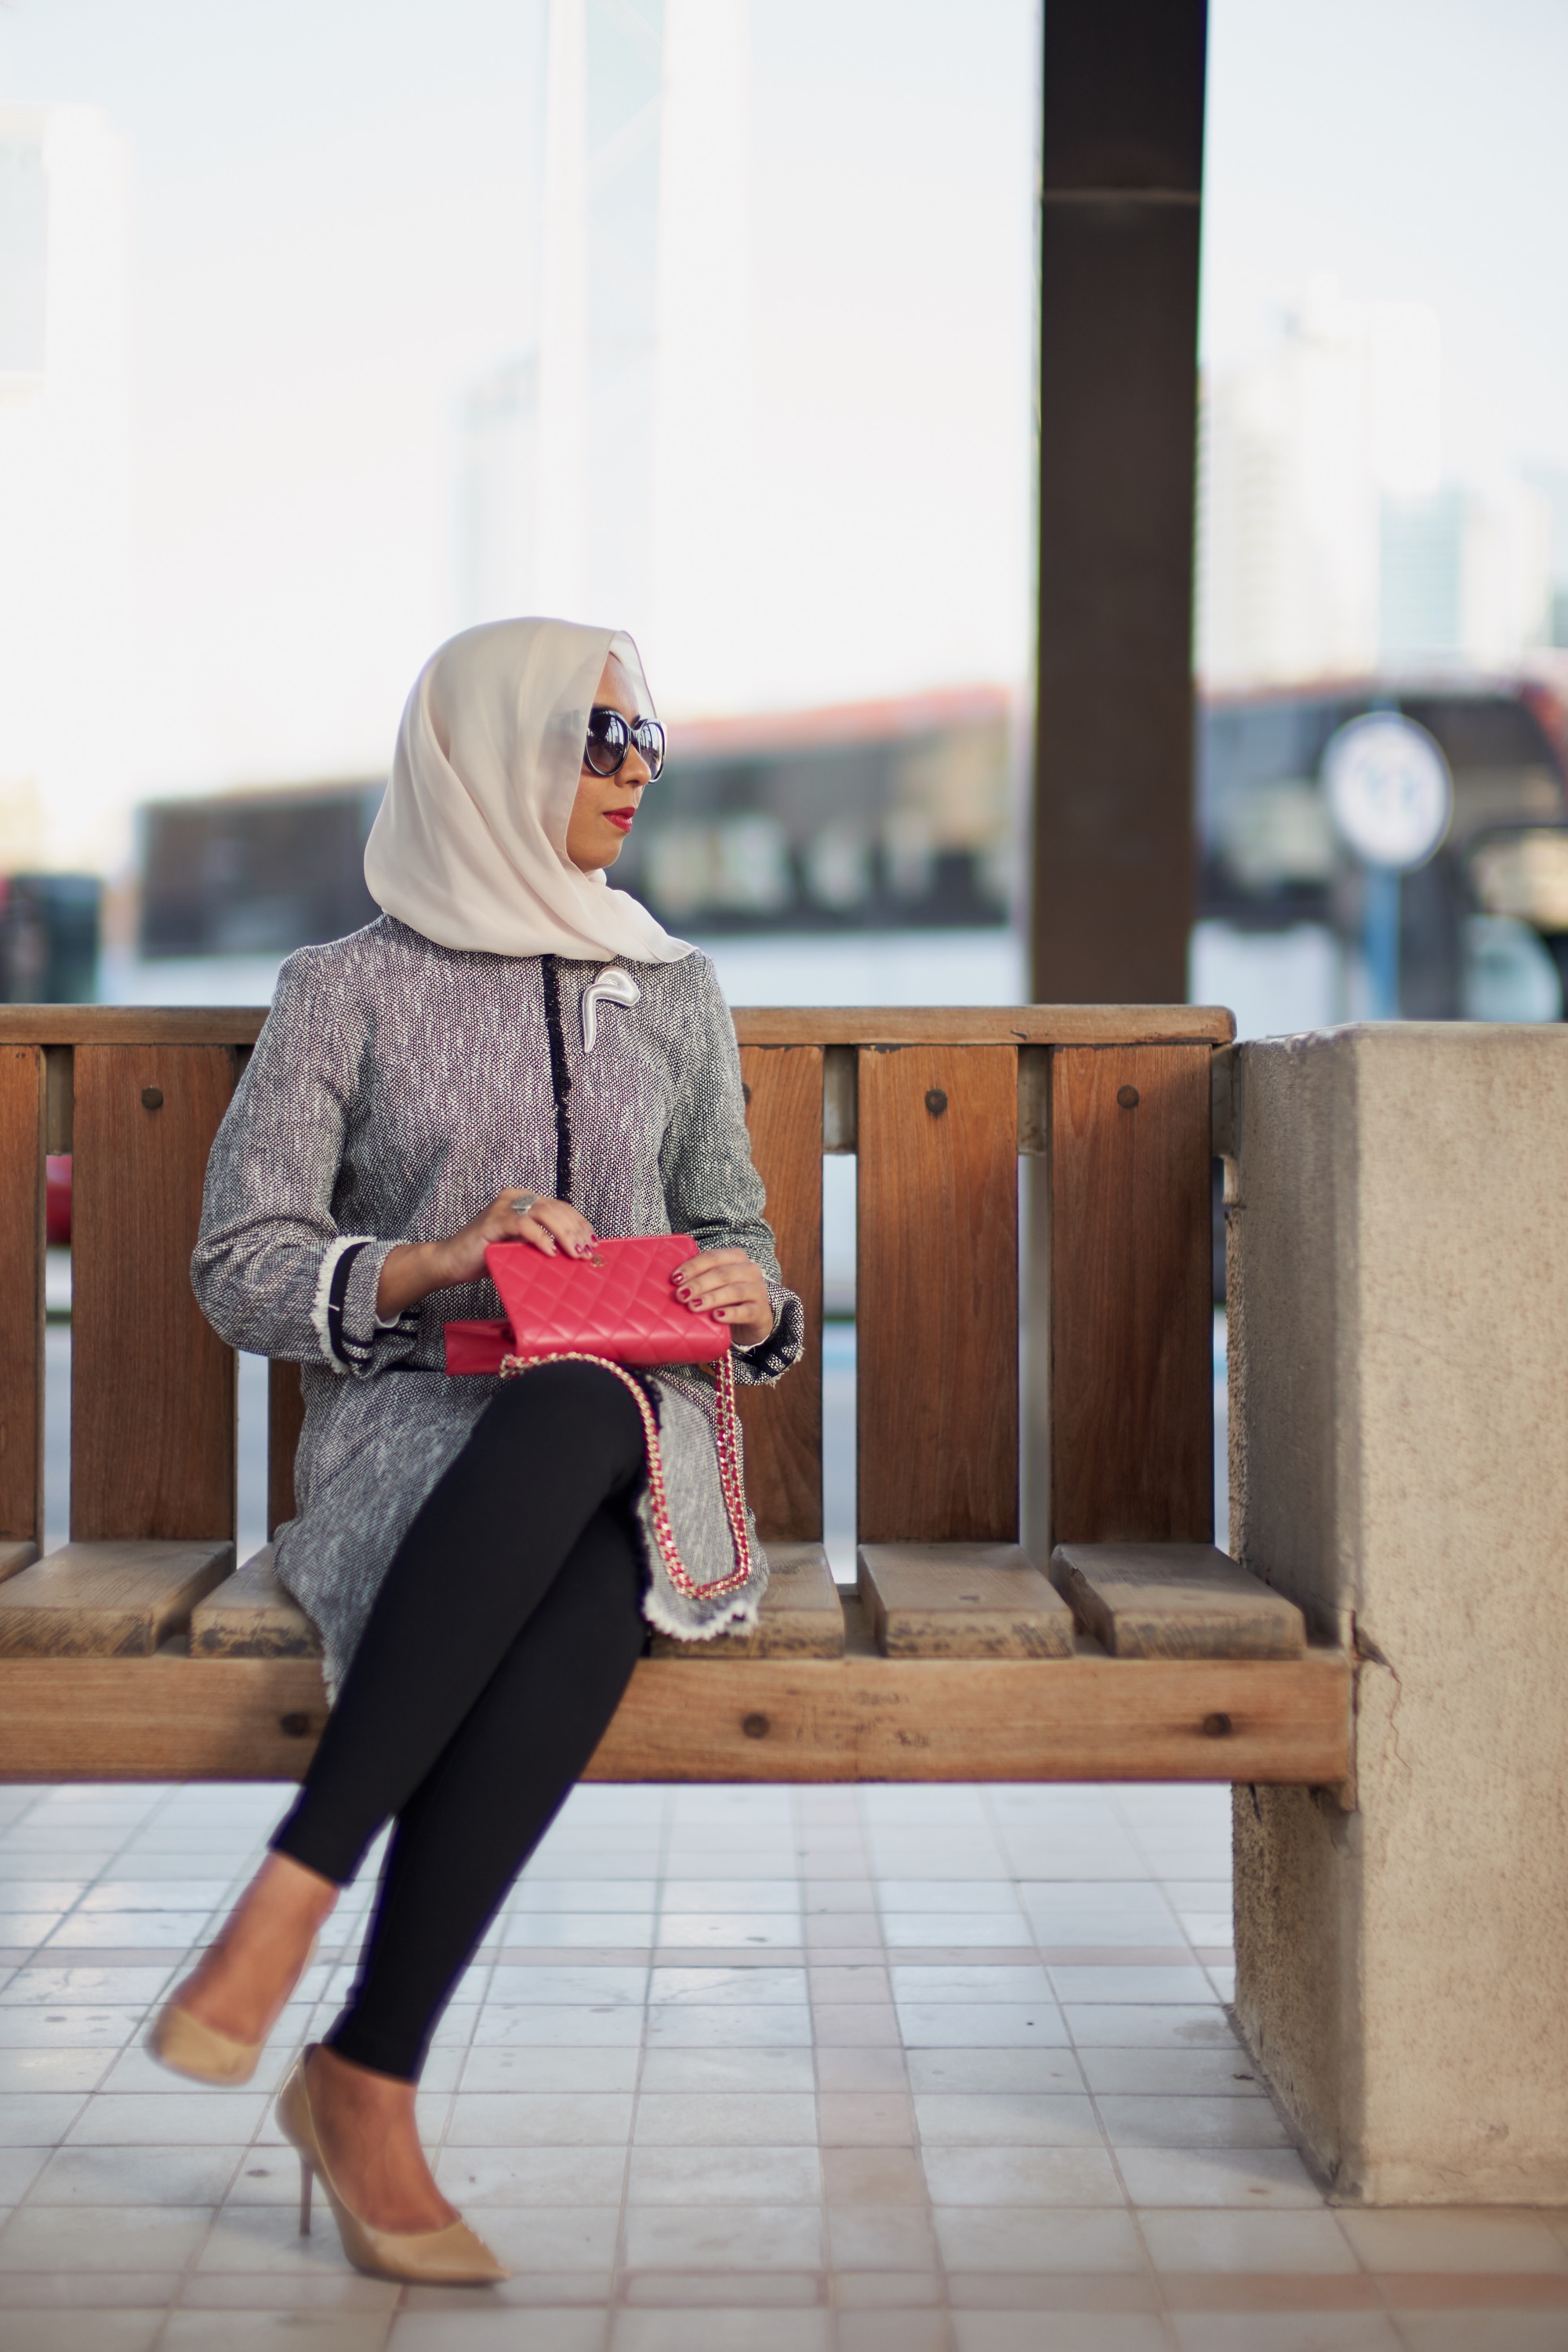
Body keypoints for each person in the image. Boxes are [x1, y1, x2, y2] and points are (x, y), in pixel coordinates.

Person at [145, 619, 802, 2284]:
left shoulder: (675, 990)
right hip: (413, 1437)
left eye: (647, 737)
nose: (636, 768)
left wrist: (750, 1291)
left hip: (633, 1433)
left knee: (581, 1405)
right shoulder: (343, 991)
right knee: (579, 1596)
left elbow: (735, 1232)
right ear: (490, 753)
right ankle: (365, 2076)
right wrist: (432, 1262)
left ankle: (292, 1901)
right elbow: (240, 1263)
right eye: (599, 736)